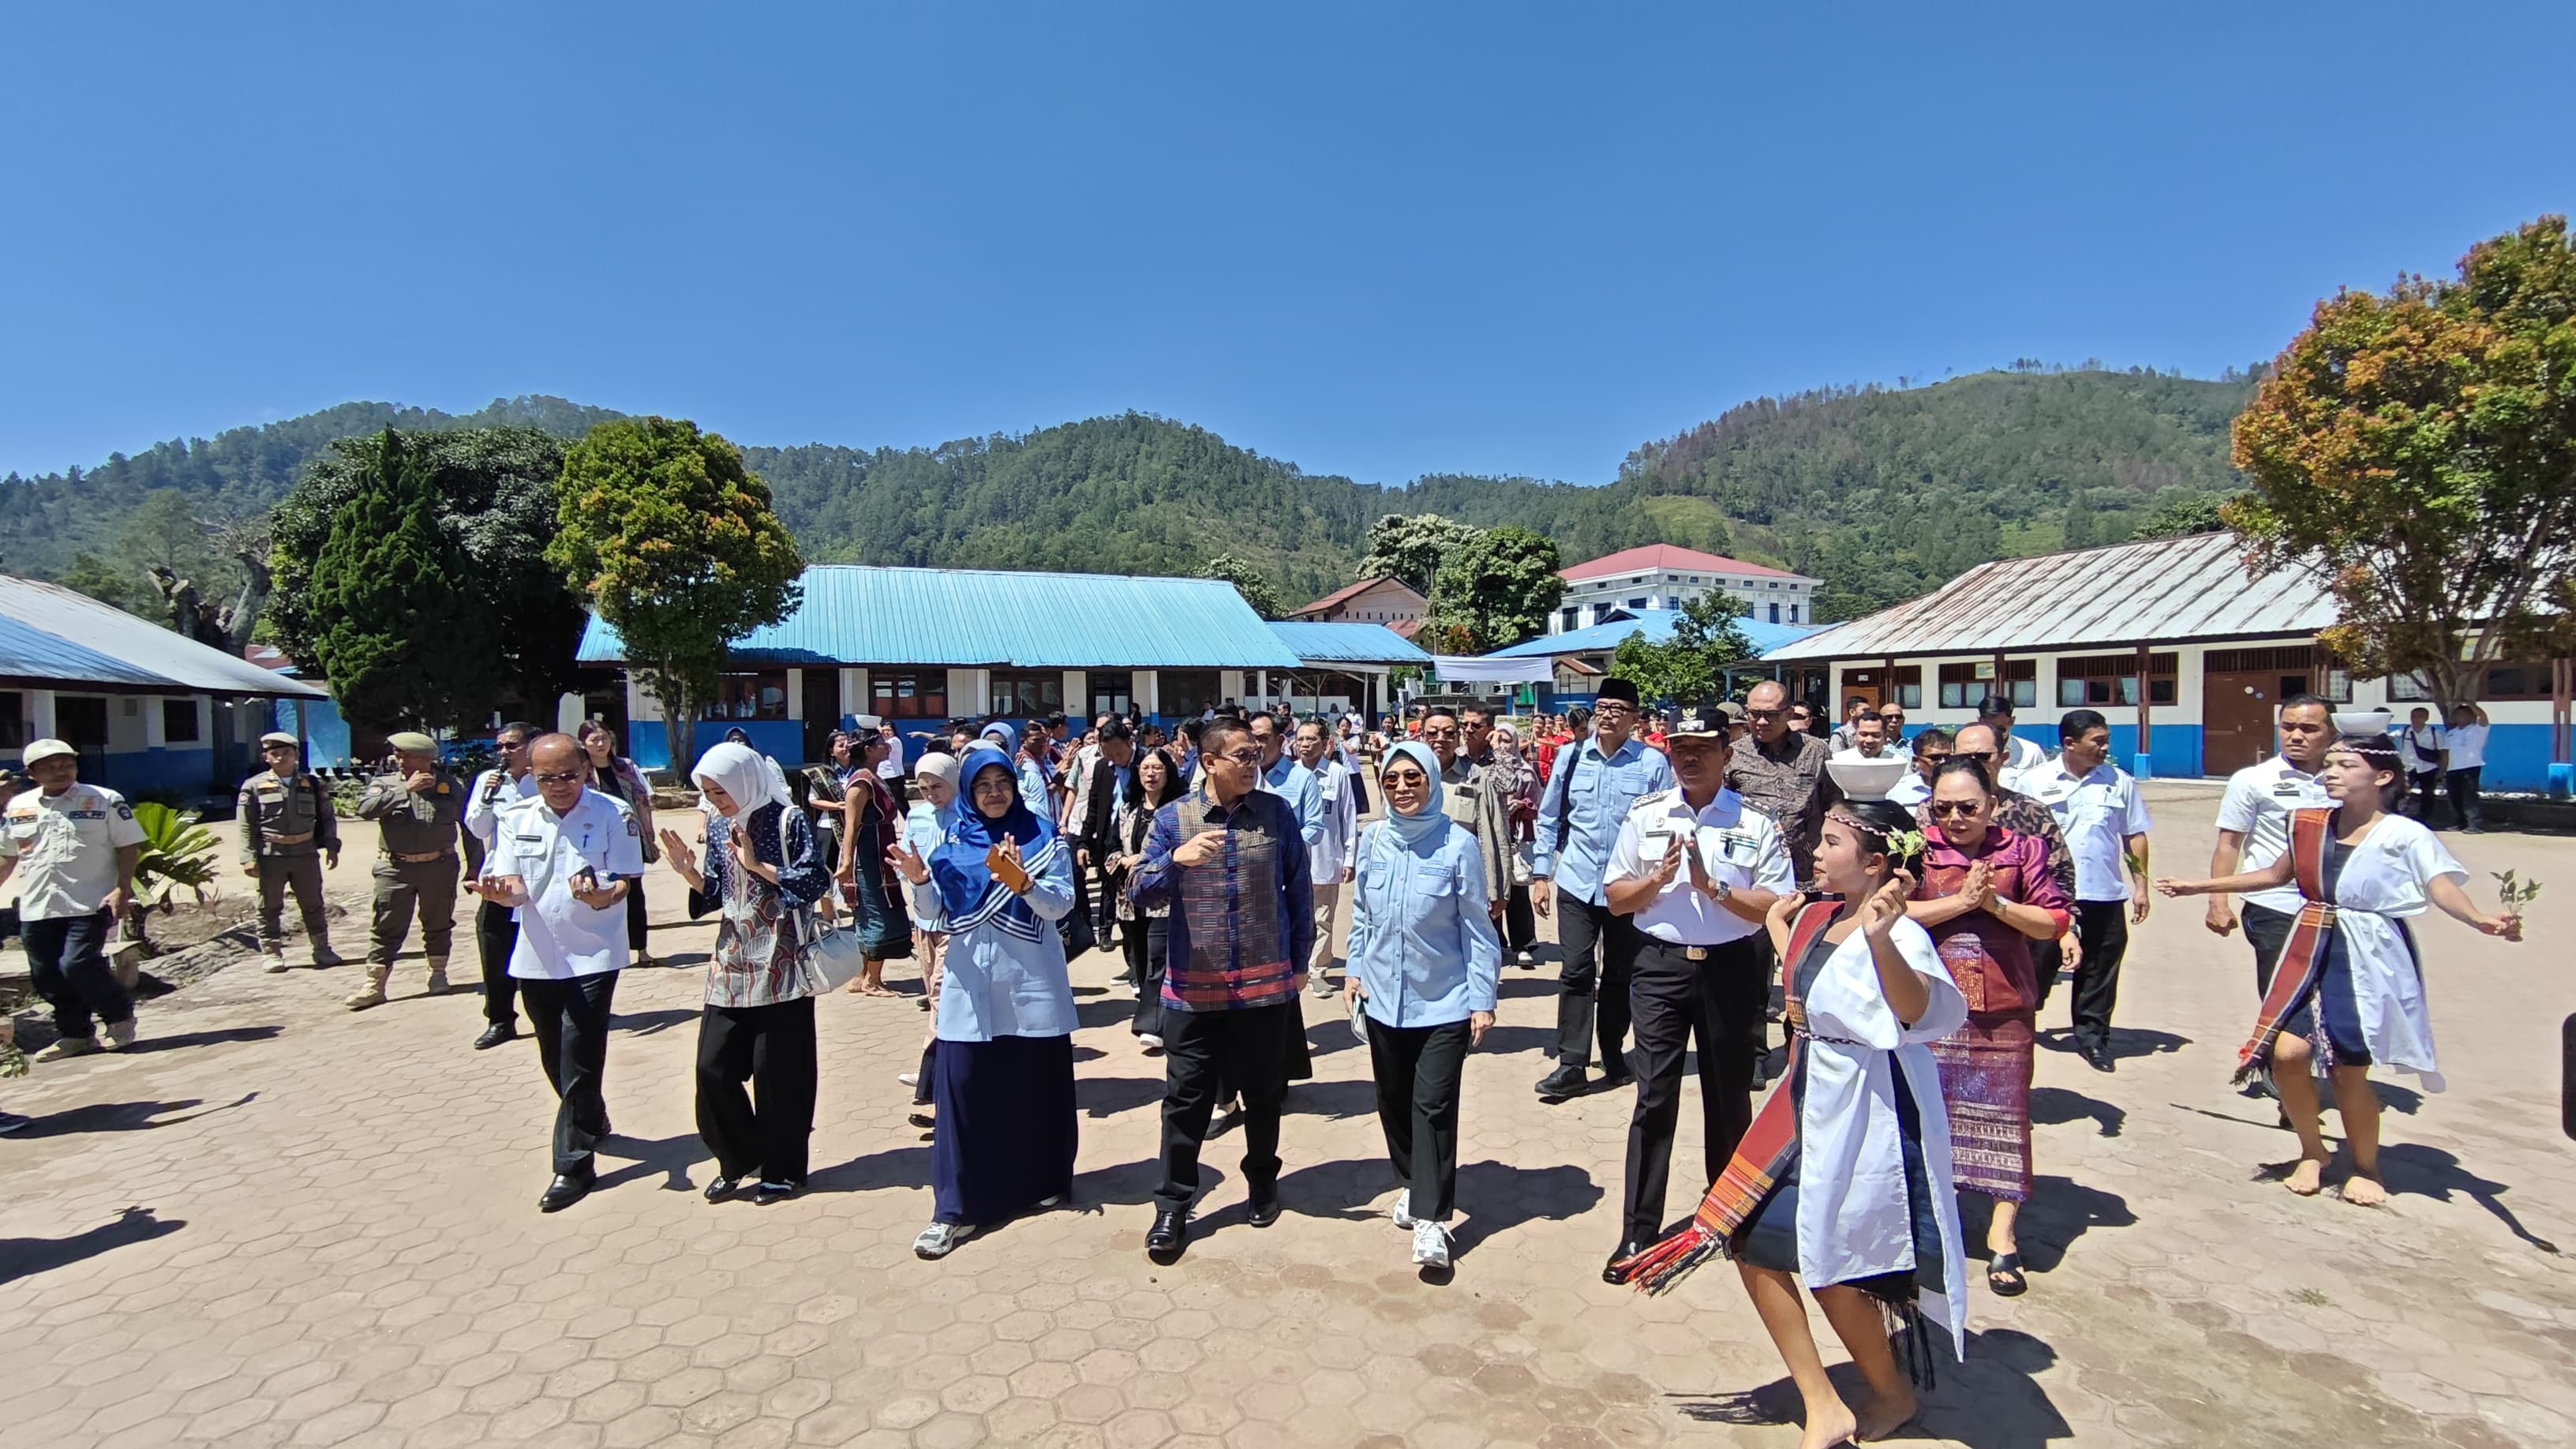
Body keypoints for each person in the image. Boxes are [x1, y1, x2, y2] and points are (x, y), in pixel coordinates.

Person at [1611, 788, 1968, 1449]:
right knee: (1754, 1246)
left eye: (1832, 842)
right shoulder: (1818, 915)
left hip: (1867, 1112)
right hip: (1803, 1102)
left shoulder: (1905, 933)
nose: (1816, 850)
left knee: (1834, 1269)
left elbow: (1917, 1012)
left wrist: (1883, 938)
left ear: (1878, 864)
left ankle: (1892, 1394)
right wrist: (1778, 919)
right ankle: (1822, 1400)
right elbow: (1799, 962)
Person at [2155, 732, 2522, 1205]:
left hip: (2368, 956)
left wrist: (2479, 918)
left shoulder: (2405, 833)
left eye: (2346, 765)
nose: (2331, 772)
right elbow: (2274, 875)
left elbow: (2441, 886)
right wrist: (2200, 887)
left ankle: (2366, 1167)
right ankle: (2313, 1149)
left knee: (2349, 1069)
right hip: (2309, 943)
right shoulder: (2310, 823)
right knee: (2287, 1055)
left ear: (2383, 776)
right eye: (2330, 764)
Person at [1598, 702, 1792, 1279]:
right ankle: (1638, 1231)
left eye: (1702, 748)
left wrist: (1714, 889)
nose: (1689, 757)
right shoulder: (1645, 815)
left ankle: (1731, 1216)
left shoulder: (1753, 822)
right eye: (1680, 748)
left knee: (1728, 1096)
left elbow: (1775, 907)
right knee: (1654, 1095)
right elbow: (1615, 897)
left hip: (1731, 967)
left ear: (1726, 754)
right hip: (1660, 966)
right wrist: (1655, 880)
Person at [1129, 717, 1316, 1264]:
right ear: (1209, 762)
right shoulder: (1172, 820)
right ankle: (1173, 1204)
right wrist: (1174, 861)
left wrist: (1299, 962)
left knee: (1263, 1094)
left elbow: (1298, 892)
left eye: (1256, 755)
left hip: (1264, 984)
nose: (1252, 764)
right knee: (1185, 1101)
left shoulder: (1276, 814)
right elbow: (1139, 892)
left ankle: (1262, 1180)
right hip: (1194, 990)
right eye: (1241, 756)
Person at [889, 746, 1080, 1257]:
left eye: (1002, 783)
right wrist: (920, 880)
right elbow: (937, 914)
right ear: (970, 792)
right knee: (964, 1094)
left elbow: (1062, 905)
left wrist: (1024, 882)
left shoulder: (1043, 838)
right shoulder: (951, 845)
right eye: (983, 785)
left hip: (1032, 986)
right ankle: (955, 1210)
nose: (994, 793)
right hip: (971, 991)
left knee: (1034, 1093)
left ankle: (1041, 1181)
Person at [1905, 758, 2071, 1297]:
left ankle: (2003, 1235)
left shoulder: (2023, 850)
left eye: (1968, 807)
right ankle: (1930, 1223)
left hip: (2004, 1004)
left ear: (1992, 805)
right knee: (1930, 1115)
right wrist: (1957, 903)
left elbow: (2051, 922)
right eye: (1943, 807)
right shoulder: (1917, 847)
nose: (1955, 817)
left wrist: (1995, 904)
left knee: (2006, 1116)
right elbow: (1891, 913)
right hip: (1930, 1001)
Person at [1343, 740, 1501, 1273]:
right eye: (1392, 781)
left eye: (1413, 778)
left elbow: (1478, 929)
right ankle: (1415, 1184)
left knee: (1432, 1107)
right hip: (1384, 1000)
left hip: (1446, 1002)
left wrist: (1483, 998)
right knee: (1393, 1103)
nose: (1403, 789)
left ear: (1432, 781)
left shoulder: (1457, 845)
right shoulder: (1373, 840)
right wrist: (1355, 968)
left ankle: (1433, 1221)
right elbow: (1363, 910)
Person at [477, 734, 646, 1213]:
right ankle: (589, 1115)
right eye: (545, 778)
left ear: (586, 771)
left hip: (595, 952)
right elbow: (511, 884)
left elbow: (624, 881)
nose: (557, 786)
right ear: (531, 775)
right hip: (537, 953)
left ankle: (572, 1165)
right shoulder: (516, 818)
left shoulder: (614, 813)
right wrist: (498, 894)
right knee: (553, 1051)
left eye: (568, 776)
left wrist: (603, 896)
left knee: (581, 1052)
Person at [661, 741, 827, 1205]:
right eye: (710, 793)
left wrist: (760, 866)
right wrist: (689, 874)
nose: (717, 800)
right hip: (731, 961)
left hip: (782, 961)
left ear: (744, 780)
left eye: (721, 791)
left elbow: (817, 880)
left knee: (779, 1074)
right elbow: (717, 891)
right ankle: (739, 1156)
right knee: (712, 1067)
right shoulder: (718, 825)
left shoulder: (787, 819)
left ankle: (783, 1169)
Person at [1530, 678, 1674, 1100]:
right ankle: (1571, 1064)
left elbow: (1662, 825)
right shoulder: (1571, 758)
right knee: (1576, 970)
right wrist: (1542, 875)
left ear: (1634, 718)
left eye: (1618, 708)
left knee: (1619, 975)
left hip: (1627, 889)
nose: (1607, 714)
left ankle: (1613, 1055)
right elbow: (1550, 817)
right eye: (1602, 706)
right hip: (1576, 880)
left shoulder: (1651, 764)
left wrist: (1657, 883)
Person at [2016, 710, 2151, 1073]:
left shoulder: (2119, 782)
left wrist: (2141, 885)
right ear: (2070, 744)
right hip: (2049, 895)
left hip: (2104, 894)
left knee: (2100, 970)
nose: (2105, 748)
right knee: (2037, 966)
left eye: (2106, 739)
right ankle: (2021, 1026)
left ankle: (2092, 1039)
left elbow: (2134, 835)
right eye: (2098, 741)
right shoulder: (2034, 782)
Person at [1, 739, 146, 1059]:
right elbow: (8, 855)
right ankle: (76, 1035)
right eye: (49, 767)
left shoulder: (104, 799)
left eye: (66, 764)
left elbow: (128, 846)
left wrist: (123, 888)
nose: (59, 771)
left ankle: (119, 1016)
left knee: (77, 963)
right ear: (31, 773)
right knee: (47, 975)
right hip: (38, 905)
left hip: (91, 900)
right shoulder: (19, 806)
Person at [2205, 696, 2335, 995]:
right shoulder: (2253, 780)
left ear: (2332, 732)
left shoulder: (2345, 778)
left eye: (2309, 729)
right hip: (2274, 906)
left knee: (2334, 996)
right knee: (2284, 997)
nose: (2296, 736)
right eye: (2288, 727)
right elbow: (2228, 844)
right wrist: (2218, 901)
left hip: (2335, 906)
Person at [346, 732, 464, 1010]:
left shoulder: (450, 786)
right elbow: (364, 811)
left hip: (439, 865)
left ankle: (437, 973)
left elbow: (468, 828)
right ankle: (375, 984)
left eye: (408, 756)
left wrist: (476, 869)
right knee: (385, 926)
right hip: (395, 868)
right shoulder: (385, 784)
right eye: (398, 756)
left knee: (438, 922)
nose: (401, 761)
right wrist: (405, 790)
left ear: (427, 759)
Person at [237, 731, 342, 971]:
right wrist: (248, 857)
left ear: (296, 755)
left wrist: (332, 846)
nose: (281, 758)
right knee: (269, 905)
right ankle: (272, 953)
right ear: (266, 757)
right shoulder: (253, 787)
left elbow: (327, 817)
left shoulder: (312, 784)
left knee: (313, 902)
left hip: (305, 853)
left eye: (287, 753)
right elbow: (245, 825)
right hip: (271, 855)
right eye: (275, 754)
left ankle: (322, 949)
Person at [464, 722, 541, 1049]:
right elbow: (478, 828)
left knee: (544, 951)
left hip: (540, 880)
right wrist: (486, 798)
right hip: (499, 880)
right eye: (500, 747)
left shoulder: (548, 780)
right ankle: (500, 1020)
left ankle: (550, 1015)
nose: (503, 753)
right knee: (495, 952)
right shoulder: (489, 781)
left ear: (531, 746)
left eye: (511, 746)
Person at [897, 751, 963, 1118]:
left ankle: (933, 1085)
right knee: (934, 997)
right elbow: (911, 863)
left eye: (937, 786)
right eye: (923, 788)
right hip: (925, 922)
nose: (931, 794)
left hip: (957, 921)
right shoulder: (918, 816)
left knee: (942, 1000)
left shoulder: (970, 817)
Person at [1728, 680, 1840, 884]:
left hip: (1805, 873)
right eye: (1754, 714)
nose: (1762, 722)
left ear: (1789, 714)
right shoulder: (1733, 754)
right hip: (1751, 869)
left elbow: (1833, 805)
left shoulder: (1816, 751)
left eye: (1771, 715)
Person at [1114, 747, 1185, 1050]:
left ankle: (1152, 1024)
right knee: (1140, 959)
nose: (1150, 774)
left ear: (1168, 772)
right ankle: (1161, 1014)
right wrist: (1118, 859)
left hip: (1165, 897)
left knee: (1158, 958)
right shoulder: (1128, 808)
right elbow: (1111, 843)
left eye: (1156, 768)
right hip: (1131, 896)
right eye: (1144, 769)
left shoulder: (1178, 809)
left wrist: (1142, 861)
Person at [575, 721, 659, 969]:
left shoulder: (626, 767)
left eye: (604, 738)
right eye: (594, 740)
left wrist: (648, 830)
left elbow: (641, 800)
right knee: (601, 889)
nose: (600, 744)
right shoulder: (581, 772)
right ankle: (607, 951)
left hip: (629, 836)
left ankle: (641, 950)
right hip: (596, 840)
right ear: (583, 744)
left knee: (634, 893)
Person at [838, 730, 915, 995]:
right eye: (881, 743)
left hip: (881, 853)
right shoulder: (860, 783)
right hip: (868, 857)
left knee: (878, 909)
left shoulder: (874, 777)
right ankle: (873, 980)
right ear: (869, 750)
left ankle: (862, 976)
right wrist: (847, 863)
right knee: (875, 911)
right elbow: (851, 826)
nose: (888, 746)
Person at [1293, 720, 1361, 994]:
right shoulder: (1287, 775)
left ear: (1325, 743)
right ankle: (1295, 967)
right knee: (1296, 917)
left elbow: (1348, 816)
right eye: (1300, 739)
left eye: (1311, 739)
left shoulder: (1338, 774)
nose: (1305, 744)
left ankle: (1317, 971)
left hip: (1326, 858)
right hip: (1292, 862)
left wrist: (1349, 858)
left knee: (1323, 918)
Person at [1076, 721, 1140, 960]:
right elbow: (1094, 806)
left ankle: (1136, 963)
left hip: (1135, 844)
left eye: (1120, 753)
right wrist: (1084, 842)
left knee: (1134, 905)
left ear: (1130, 743)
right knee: (1108, 890)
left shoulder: (1145, 766)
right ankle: (1108, 933)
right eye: (1109, 753)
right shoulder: (1104, 767)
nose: (1116, 758)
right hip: (1108, 842)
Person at [1484, 723, 1543, 968]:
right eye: (1497, 740)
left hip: (1514, 840)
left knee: (1518, 893)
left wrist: (1521, 805)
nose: (1502, 745)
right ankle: (1495, 942)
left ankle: (1524, 945)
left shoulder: (1526, 772)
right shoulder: (1483, 768)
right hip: (1487, 840)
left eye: (1507, 740)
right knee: (1491, 891)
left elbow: (1537, 804)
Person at [1976, 695, 2050, 781]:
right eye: (1988, 729)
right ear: (1979, 722)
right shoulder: (1970, 753)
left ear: (2012, 721)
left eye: (2000, 729)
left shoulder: (2031, 753)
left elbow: (2044, 786)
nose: (1994, 734)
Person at [2443, 703, 2491, 833]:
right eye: (2457, 715)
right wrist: (2443, 770)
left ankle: (2475, 825)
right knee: (2454, 797)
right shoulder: (2451, 733)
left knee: (2469, 797)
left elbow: (2484, 717)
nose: (2460, 717)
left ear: (2471, 716)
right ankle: (2459, 823)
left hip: (2471, 767)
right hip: (2453, 768)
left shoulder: (2478, 729)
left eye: (2463, 714)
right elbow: (2446, 753)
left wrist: (2470, 703)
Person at [2396, 707, 2445, 821]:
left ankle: (2424, 817)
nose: (2416, 719)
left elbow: (2443, 753)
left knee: (2427, 794)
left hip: (2428, 768)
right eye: (2413, 716)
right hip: (2408, 767)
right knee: (2401, 792)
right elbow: (2389, 737)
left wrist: (2441, 771)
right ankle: (2400, 814)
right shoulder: (2405, 731)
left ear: (2427, 718)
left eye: (2420, 716)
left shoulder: (2434, 733)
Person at [1889, 728, 1951, 811]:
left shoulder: (1965, 787)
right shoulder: (1897, 790)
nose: (1943, 762)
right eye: (1935, 757)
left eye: (1948, 757)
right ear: (1916, 760)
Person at [1831, 710, 1902, 766]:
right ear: (1855, 735)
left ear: (1885, 737)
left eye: (1876, 735)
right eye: (1864, 734)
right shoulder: (1838, 762)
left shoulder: (1897, 763)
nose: (1869, 740)